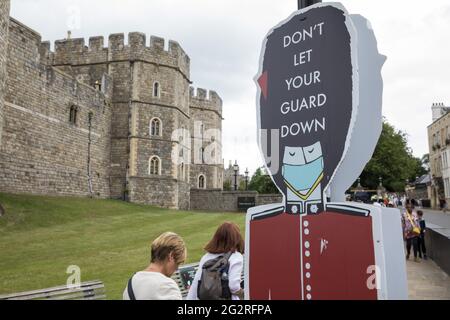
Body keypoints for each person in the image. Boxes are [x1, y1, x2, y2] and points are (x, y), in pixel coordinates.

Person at [187, 222, 244, 300]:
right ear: (236, 238)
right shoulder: (236, 257)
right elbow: (234, 286)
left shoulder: (206, 257)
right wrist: (244, 294)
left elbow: (196, 283)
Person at [123, 232, 187, 300]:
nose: (177, 269)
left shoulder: (131, 283)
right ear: (171, 256)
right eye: (178, 263)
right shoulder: (167, 286)